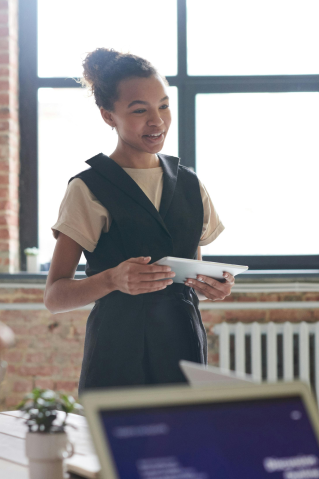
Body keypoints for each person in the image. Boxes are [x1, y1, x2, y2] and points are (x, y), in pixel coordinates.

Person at [44, 48, 233, 394]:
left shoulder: (191, 185)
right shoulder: (89, 188)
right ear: (108, 115)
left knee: (185, 446)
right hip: (117, 358)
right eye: (139, 110)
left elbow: (191, 274)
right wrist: (113, 279)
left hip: (184, 352)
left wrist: (211, 287)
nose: (157, 120)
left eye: (163, 105)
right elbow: (55, 296)